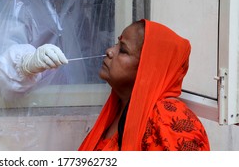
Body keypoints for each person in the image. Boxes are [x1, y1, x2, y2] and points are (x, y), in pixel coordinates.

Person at [79, 19, 210, 151]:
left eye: (123, 50)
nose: (109, 51)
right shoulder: (117, 108)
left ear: (148, 68)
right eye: (115, 44)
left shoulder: (167, 119)